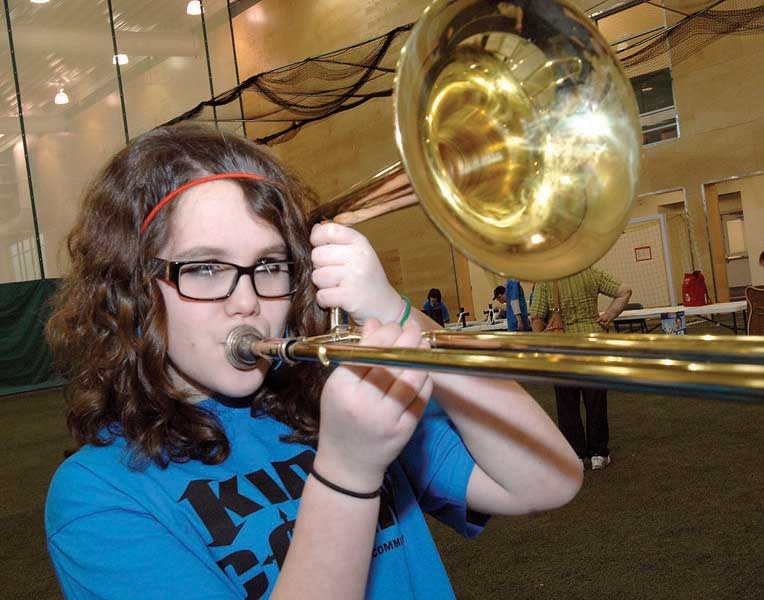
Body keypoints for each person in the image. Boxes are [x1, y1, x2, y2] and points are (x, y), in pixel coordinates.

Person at [43, 124, 582, 599]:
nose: (247, 300)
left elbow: (547, 480)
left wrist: (396, 313)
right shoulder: (98, 494)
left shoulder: (333, 404)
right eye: (206, 269)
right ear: (130, 293)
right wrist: (347, 474)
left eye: (269, 265)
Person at [530, 268, 632, 470]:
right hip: (592, 345)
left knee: (567, 404)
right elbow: (625, 291)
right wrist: (608, 315)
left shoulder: (546, 280)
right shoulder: (591, 273)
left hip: (562, 350)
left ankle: (575, 455)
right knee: (596, 402)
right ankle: (598, 454)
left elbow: (537, 318)